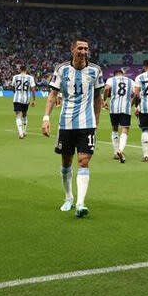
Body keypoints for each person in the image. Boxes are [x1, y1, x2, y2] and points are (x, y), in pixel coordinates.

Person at [42, 39, 104, 218]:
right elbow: (53, 95)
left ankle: (80, 203)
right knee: (66, 163)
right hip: (66, 123)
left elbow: (98, 98)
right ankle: (68, 197)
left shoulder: (95, 70)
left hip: (87, 124)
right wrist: (46, 118)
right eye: (80, 48)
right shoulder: (62, 69)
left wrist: (96, 122)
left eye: (86, 49)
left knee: (84, 161)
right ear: (72, 49)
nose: (83, 52)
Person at [103, 69, 135, 163]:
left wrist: (104, 100)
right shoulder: (130, 81)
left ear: (115, 74)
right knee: (125, 129)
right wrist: (131, 102)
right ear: (122, 74)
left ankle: (115, 152)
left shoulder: (111, 80)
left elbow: (106, 89)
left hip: (114, 108)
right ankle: (120, 150)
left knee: (115, 129)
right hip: (126, 108)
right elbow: (136, 93)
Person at [11, 65, 36, 139]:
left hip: (17, 99)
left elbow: (13, 87)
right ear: (26, 70)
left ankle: (21, 133)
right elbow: (33, 89)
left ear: (20, 70)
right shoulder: (30, 78)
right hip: (26, 99)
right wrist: (34, 100)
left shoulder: (15, 77)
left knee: (18, 115)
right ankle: (24, 131)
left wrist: (15, 91)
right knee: (24, 115)